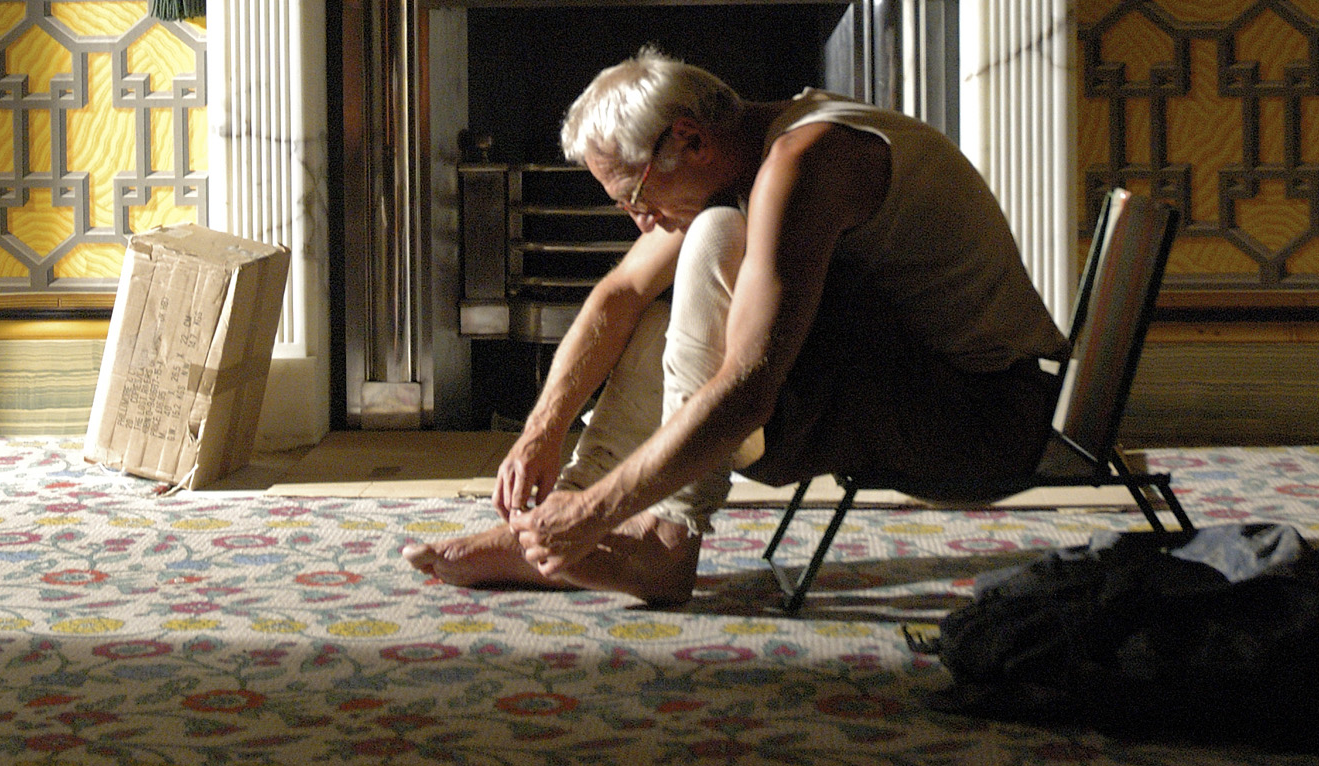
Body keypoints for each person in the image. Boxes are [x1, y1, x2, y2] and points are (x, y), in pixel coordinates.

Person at [404, 49, 1069, 606]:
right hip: (913, 398)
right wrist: (541, 431)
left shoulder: (810, 160)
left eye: (636, 197)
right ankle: (559, 521)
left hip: (982, 426)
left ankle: (662, 543)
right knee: (671, 287)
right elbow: (620, 293)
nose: (641, 221)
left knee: (716, 236)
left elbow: (750, 389)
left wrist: (599, 511)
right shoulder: (754, 152)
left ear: (689, 139)